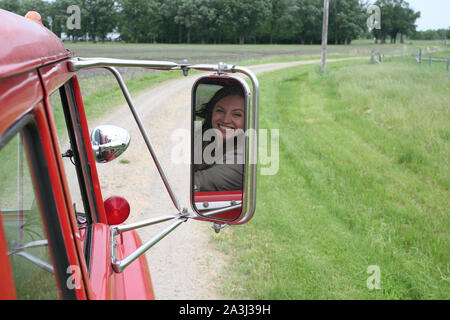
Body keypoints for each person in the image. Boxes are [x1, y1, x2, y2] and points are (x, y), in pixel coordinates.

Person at [193, 85, 246, 192]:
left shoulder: (239, 162)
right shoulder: (207, 139)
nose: (226, 120)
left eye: (237, 114)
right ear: (211, 112)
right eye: (220, 111)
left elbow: (195, 184)